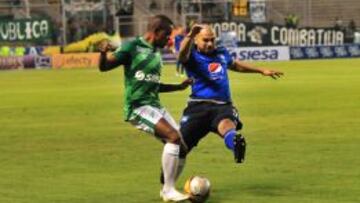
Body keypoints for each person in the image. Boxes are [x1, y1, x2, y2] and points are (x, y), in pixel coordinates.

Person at [160, 24, 284, 185]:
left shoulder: (221, 53)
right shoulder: (191, 55)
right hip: (197, 107)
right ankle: (168, 183)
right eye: (205, 40)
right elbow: (181, 54)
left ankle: (235, 143)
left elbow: (236, 65)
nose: (210, 44)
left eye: (212, 40)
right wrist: (190, 35)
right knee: (181, 148)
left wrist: (260, 70)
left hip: (222, 105)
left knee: (227, 126)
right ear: (196, 40)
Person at [98, 15, 192, 202]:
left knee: (181, 146)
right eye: (166, 35)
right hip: (137, 106)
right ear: (155, 32)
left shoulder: (156, 53)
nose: (168, 39)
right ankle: (168, 190)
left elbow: (153, 85)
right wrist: (102, 53)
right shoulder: (132, 47)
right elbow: (105, 67)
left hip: (154, 105)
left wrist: (178, 87)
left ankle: (167, 183)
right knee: (172, 137)